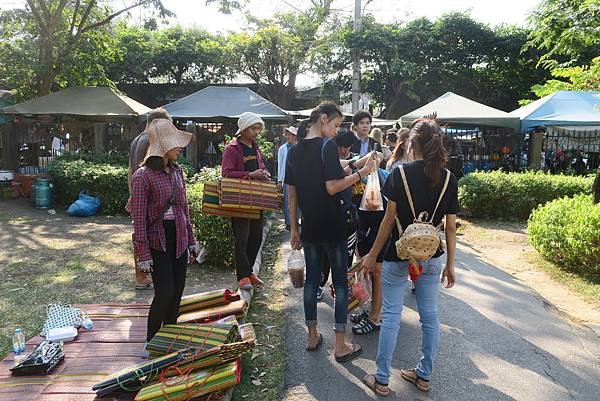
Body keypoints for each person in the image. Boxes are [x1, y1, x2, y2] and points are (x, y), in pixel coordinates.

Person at [361, 118, 458, 395]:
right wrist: (450, 264)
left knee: (391, 314)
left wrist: (371, 255)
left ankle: (381, 378)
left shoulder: (399, 174)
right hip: (431, 254)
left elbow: (388, 221)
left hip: (397, 252)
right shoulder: (449, 179)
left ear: (412, 144)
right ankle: (424, 375)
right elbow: (450, 226)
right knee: (430, 315)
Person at [285, 101, 375, 361]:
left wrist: (294, 228)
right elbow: (333, 186)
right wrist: (364, 172)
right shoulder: (326, 146)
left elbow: (292, 193)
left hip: (310, 225)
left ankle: (312, 336)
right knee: (339, 281)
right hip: (334, 224)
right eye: (336, 125)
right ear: (323, 119)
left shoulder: (294, 150)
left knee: (312, 281)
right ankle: (340, 344)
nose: (337, 131)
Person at [130, 118, 200, 349]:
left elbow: (184, 209)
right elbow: (138, 218)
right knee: (165, 291)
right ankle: (151, 341)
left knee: (178, 289)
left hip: (178, 235)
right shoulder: (142, 176)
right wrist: (142, 254)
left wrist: (191, 240)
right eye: (176, 143)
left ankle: (169, 338)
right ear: (162, 145)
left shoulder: (177, 172)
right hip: (157, 240)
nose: (180, 147)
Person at [222, 112, 270, 291]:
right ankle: (242, 276)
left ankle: (249, 272)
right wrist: (250, 175)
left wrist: (263, 172)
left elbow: (261, 166)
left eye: (258, 128)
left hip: (257, 198)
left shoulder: (255, 147)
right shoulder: (231, 149)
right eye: (253, 128)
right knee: (241, 238)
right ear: (242, 129)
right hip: (239, 199)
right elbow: (226, 173)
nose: (257, 131)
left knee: (256, 237)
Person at [128, 107, 172, 290]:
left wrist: (133, 194)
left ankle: (141, 275)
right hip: (150, 197)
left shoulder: (137, 139)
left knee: (140, 234)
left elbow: (130, 170)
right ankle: (144, 275)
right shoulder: (151, 140)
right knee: (147, 236)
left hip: (139, 194)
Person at [277, 126, 299, 230]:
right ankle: (288, 222)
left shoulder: (299, 147)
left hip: (298, 177)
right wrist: (280, 180)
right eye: (287, 134)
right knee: (287, 200)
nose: (288, 136)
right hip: (286, 177)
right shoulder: (282, 148)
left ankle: (296, 220)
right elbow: (280, 164)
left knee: (298, 200)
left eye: (291, 134)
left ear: (295, 136)